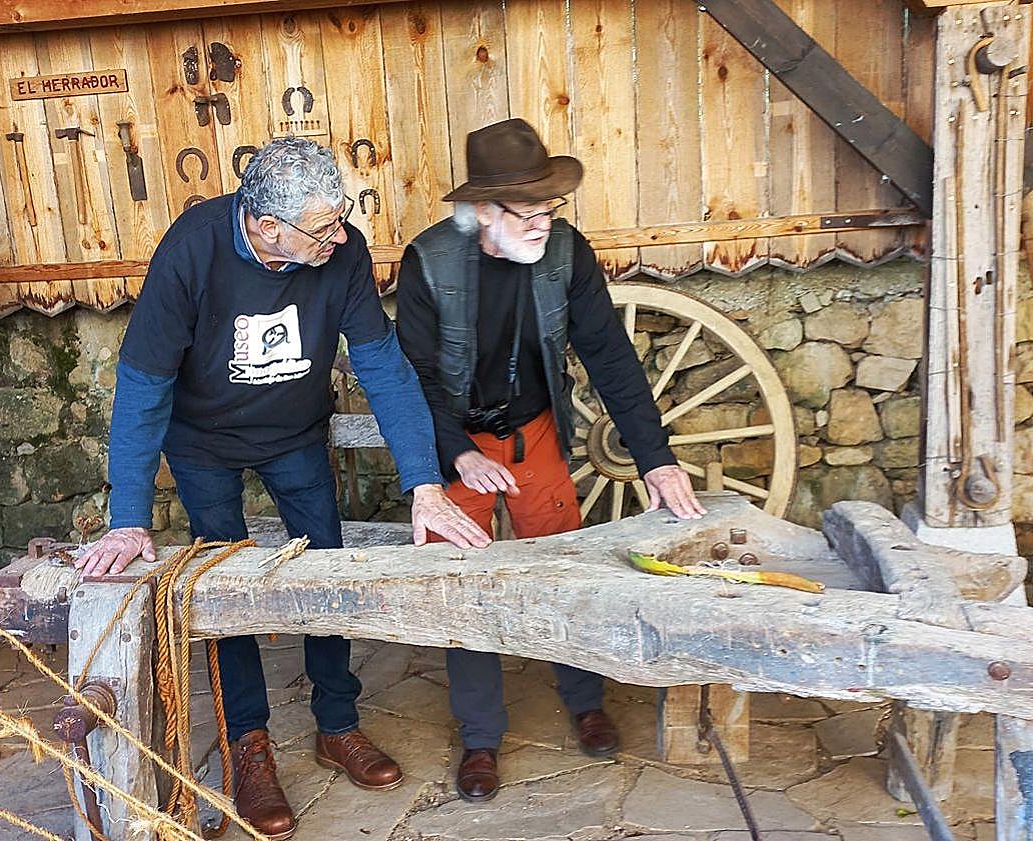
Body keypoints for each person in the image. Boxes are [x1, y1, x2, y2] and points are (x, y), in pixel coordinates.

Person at [78, 137, 490, 841]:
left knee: (324, 568)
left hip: (296, 433)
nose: (340, 234)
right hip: (203, 442)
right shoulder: (192, 251)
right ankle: (249, 744)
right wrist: (127, 516)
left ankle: (338, 722)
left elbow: (384, 367)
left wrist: (425, 481)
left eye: (341, 217)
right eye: (322, 225)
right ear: (266, 225)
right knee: (226, 586)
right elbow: (144, 386)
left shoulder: (342, 252)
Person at [395, 118, 706, 803]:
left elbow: (610, 357)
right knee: (461, 582)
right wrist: (456, 452)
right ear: (482, 211)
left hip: (533, 432)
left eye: (548, 207)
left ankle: (585, 696)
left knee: (565, 564)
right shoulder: (427, 262)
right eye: (525, 210)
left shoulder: (566, 253)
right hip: (456, 444)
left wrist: (655, 458)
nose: (541, 222)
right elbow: (411, 378)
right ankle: (480, 736)